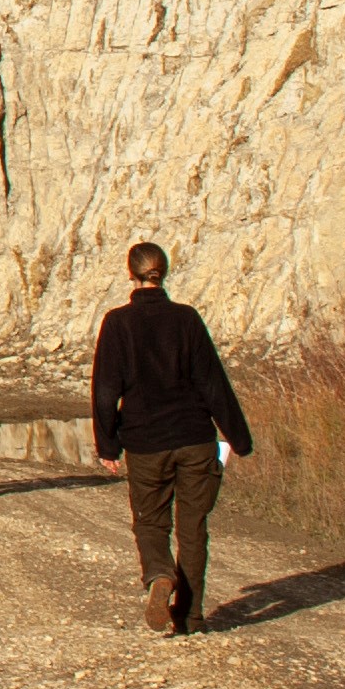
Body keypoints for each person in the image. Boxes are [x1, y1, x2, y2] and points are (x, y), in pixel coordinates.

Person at [90, 240, 252, 633]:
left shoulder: (117, 322)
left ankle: (160, 575)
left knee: (150, 523)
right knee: (193, 528)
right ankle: (190, 615)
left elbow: (106, 389)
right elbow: (213, 383)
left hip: (146, 443)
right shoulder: (187, 319)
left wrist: (107, 445)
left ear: (131, 272)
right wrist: (239, 438)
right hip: (195, 437)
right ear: (164, 271)